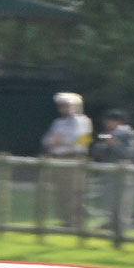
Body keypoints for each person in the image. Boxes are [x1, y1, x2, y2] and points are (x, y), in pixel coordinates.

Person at [40, 92, 92, 228]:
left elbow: (81, 140)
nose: (64, 108)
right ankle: (65, 219)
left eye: (67, 105)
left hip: (74, 158)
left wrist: (60, 141)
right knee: (61, 191)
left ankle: (76, 221)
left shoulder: (83, 121)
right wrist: (55, 141)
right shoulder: (58, 122)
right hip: (58, 158)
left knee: (74, 191)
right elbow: (47, 140)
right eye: (62, 105)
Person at [89, 108, 134, 232]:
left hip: (125, 172)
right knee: (109, 198)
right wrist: (103, 144)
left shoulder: (132, 134)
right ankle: (112, 222)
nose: (107, 124)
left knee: (124, 200)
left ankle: (123, 223)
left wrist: (114, 144)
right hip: (109, 171)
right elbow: (96, 152)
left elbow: (130, 154)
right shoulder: (106, 133)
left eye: (110, 121)